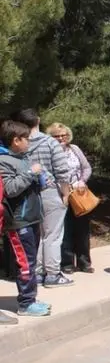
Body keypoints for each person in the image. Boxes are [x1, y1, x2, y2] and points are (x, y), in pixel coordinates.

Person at [10, 109, 72, 287]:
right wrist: (65, 193)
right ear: (38, 120)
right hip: (50, 192)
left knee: (38, 234)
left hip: (29, 194)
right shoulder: (50, 142)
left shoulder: (18, 145)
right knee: (53, 234)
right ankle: (53, 274)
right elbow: (62, 171)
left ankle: (37, 272)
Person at [0, 120, 51, 317]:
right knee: (25, 263)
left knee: (31, 261)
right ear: (16, 140)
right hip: (18, 221)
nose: (29, 142)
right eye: (26, 139)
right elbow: (10, 189)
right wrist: (31, 173)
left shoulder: (23, 157)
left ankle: (31, 298)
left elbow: (28, 183)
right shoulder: (4, 161)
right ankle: (26, 304)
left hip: (32, 217)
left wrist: (41, 180)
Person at [46, 123, 94, 273]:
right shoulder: (49, 152)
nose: (61, 138)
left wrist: (82, 181)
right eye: (57, 136)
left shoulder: (75, 149)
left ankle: (84, 262)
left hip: (79, 194)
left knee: (83, 229)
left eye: (64, 135)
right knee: (65, 229)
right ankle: (66, 263)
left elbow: (87, 167)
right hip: (61, 195)